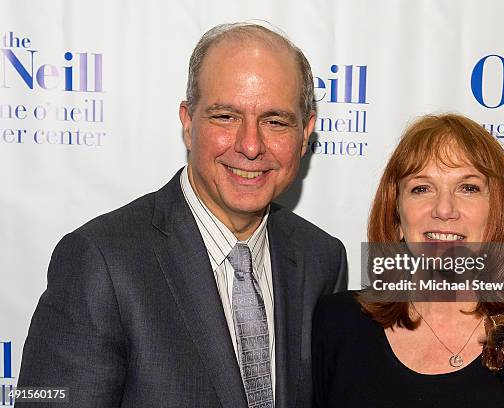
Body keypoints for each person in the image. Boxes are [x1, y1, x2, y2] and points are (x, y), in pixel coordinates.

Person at [18, 23, 347, 408]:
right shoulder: (100, 262)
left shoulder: (322, 258)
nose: (251, 145)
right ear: (188, 122)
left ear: (306, 131)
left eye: (275, 121)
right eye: (226, 117)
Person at [312, 114, 504, 407]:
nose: (444, 209)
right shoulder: (336, 325)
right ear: (396, 216)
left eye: (469, 188)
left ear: (496, 214)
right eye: (421, 188)